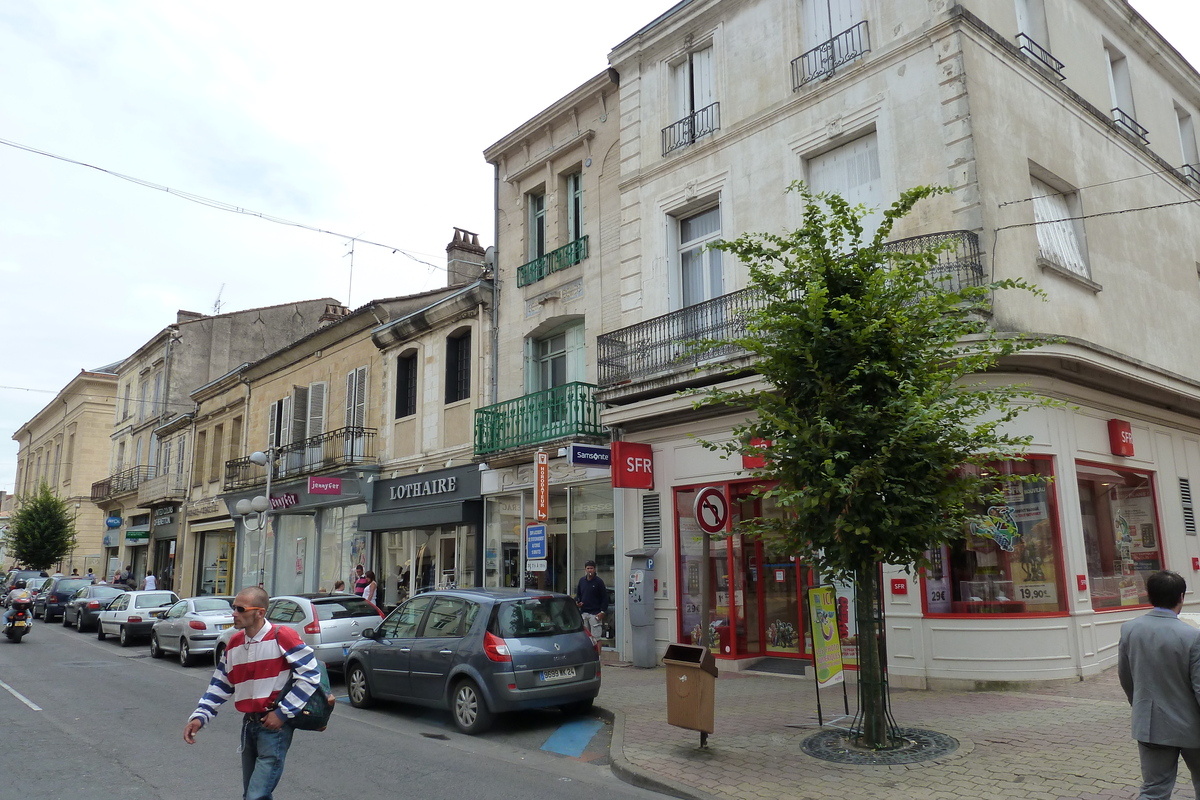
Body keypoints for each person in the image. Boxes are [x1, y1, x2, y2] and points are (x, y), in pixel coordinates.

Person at [183, 586, 321, 800]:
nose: (234, 613)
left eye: (240, 608)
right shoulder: (234, 644)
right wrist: (200, 717)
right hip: (249, 726)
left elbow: (310, 674)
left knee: (255, 795)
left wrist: (283, 713)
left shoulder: (281, 636)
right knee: (254, 794)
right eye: (233, 607)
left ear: (260, 612)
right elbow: (221, 684)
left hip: (274, 728)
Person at [1118, 570, 1200, 799]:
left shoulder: (1129, 629)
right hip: (1192, 727)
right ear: (1181, 597)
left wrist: (1141, 706)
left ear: (1149, 595)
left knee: (1154, 789)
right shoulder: (1192, 636)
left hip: (1150, 725)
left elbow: (1125, 677)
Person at [574, 560, 608, 639]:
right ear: (585, 569)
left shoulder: (599, 582)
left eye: (591, 568)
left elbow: (604, 597)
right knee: (585, 637)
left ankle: (597, 652)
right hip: (584, 613)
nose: (590, 570)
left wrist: (602, 611)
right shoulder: (582, 581)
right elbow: (578, 594)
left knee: (596, 638)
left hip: (595, 613)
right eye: (588, 568)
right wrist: (578, 602)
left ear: (595, 569)